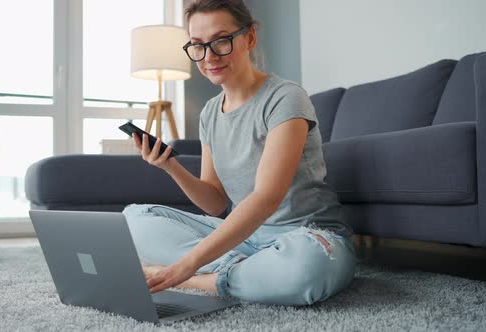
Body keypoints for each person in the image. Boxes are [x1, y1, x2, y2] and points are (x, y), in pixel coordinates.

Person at [122, 0, 357, 306]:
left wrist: (187, 266)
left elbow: (266, 198)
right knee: (133, 218)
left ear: (250, 38)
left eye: (221, 41)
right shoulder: (209, 113)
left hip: (305, 236)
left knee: (306, 270)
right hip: (245, 238)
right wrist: (171, 167)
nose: (209, 57)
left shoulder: (286, 98)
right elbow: (216, 202)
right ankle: (246, 272)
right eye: (197, 46)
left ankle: (204, 280)